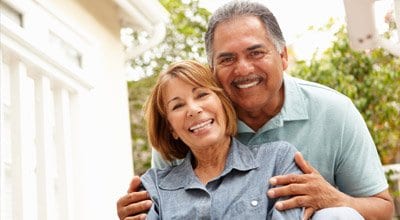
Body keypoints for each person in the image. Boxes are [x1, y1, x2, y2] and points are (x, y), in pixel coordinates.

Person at [117, 1, 394, 219]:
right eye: (227, 59)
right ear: (212, 70)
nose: (243, 69)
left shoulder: (333, 112)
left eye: (256, 53)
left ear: (283, 56)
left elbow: (383, 209)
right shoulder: (194, 127)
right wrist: (138, 211)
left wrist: (334, 198)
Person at [137, 60, 362, 219]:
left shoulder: (279, 160)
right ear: (171, 129)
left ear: (223, 104)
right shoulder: (153, 187)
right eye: (178, 105)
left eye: (202, 94)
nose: (193, 110)